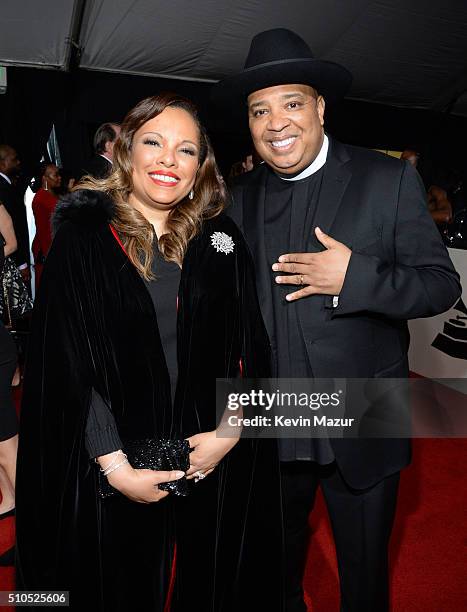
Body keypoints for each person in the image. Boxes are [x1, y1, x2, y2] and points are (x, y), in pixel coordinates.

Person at [215, 28, 462, 612]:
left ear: (321, 108)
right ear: (248, 124)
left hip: (364, 406)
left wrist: (358, 279)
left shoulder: (387, 179)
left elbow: (440, 285)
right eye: (260, 110)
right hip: (272, 412)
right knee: (273, 566)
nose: (277, 123)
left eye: (292, 103)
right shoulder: (235, 199)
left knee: (364, 574)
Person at [16, 94, 281, 611]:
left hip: (207, 452)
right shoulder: (86, 238)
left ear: (200, 165)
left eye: (185, 150)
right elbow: (66, 364)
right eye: (153, 143)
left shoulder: (219, 236)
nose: (167, 160)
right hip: (109, 458)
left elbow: (248, 346)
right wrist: (116, 467)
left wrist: (228, 433)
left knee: (206, 583)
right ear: (125, 151)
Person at [0, 145, 30, 282]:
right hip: (9, 264)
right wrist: (21, 263)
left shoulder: (7, 186)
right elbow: (14, 228)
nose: (18, 162)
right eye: (14, 159)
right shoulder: (2, 188)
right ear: (2, 163)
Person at [31, 163, 62, 288]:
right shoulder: (40, 199)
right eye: (55, 175)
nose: (59, 177)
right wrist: (49, 256)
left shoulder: (53, 194)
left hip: (56, 247)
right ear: (44, 179)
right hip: (48, 252)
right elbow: (43, 231)